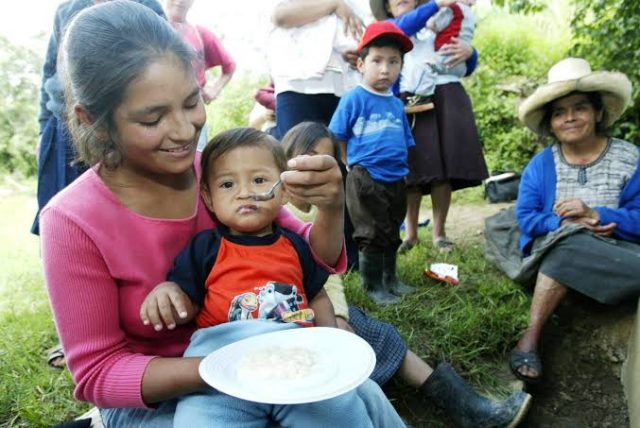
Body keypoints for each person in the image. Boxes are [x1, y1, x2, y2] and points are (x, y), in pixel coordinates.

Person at [39, 2, 402, 426]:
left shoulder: (220, 174)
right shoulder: (71, 222)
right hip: (162, 393)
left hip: (271, 350)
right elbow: (99, 372)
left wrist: (330, 205)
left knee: (363, 395)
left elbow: (313, 259)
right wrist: (234, 368)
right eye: (153, 118)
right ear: (95, 122)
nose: (182, 130)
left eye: (191, 102)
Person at [282, 121, 532, 428]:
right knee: (346, 384)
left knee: (383, 336)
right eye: (306, 160)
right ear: (286, 162)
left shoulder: (325, 212)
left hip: (326, 308)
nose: (313, 174)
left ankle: (469, 408)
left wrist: (341, 316)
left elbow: (328, 273)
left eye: (325, 163)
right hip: (287, 315)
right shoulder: (274, 211)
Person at [139, 128, 381, 427]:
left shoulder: (295, 245)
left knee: (341, 413)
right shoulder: (205, 248)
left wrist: (328, 344)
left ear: (282, 192)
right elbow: (186, 302)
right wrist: (167, 293)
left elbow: (318, 296)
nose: (245, 192)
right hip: (223, 367)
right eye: (227, 184)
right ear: (209, 198)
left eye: (259, 180)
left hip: (298, 361)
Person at [509, 57, 639, 384]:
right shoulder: (541, 165)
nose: (569, 118)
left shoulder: (630, 158)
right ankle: (532, 337)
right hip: (560, 254)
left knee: (570, 249)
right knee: (566, 246)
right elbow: (526, 218)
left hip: (617, 258)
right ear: (550, 123)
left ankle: (530, 337)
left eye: (579, 107)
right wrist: (564, 227)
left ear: (598, 113)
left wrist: (599, 215)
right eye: (559, 112)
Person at [32, 0, 165, 236]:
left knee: (121, 217)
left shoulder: (145, 6)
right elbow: (49, 73)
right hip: (63, 126)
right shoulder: (66, 9)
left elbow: (164, 61)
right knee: (63, 217)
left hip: (120, 126)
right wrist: (43, 130)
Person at [370, 0, 488, 253]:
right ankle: (409, 234)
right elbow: (402, 29)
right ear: (387, 7)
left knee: (442, 167)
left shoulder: (438, 17)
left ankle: (439, 233)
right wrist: (434, 5)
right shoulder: (390, 26)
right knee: (410, 171)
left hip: (446, 94)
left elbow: (461, 62)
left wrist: (471, 52)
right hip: (406, 100)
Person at [329, 21, 416, 305]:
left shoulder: (396, 104)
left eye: (393, 62)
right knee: (370, 231)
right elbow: (338, 133)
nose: (385, 69)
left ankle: (391, 279)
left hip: (396, 177)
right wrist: (349, 163)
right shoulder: (355, 98)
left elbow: (406, 141)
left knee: (392, 229)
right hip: (366, 176)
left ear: (401, 67)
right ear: (361, 64)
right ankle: (373, 285)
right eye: (377, 60)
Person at [165, 0, 236, 150]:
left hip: (193, 106)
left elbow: (229, 65)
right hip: (158, 105)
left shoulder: (200, 33)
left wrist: (214, 90)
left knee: (195, 153)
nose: (179, 2)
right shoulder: (150, 26)